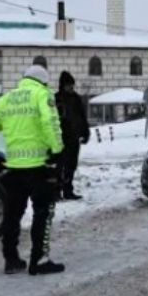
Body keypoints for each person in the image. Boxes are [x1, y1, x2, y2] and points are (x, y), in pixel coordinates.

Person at [0, 64, 66, 276]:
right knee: (42, 214)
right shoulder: (42, 94)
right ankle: (39, 260)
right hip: (40, 168)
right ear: (43, 81)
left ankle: (11, 260)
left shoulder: (7, 98)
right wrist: (57, 150)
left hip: (13, 169)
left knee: (12, 216)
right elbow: (50, 122)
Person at [54, 70, 90, 200]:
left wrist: (86, 132)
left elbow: (82, 116)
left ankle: (68, 190)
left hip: (74, 138)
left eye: (72, 85)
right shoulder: (56, 98)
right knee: (59, 167)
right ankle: (56, 192)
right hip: (60, 139)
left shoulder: (76, 98)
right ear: (63, 85)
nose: (71, 87)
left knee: (71, 166)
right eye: (69, 85)